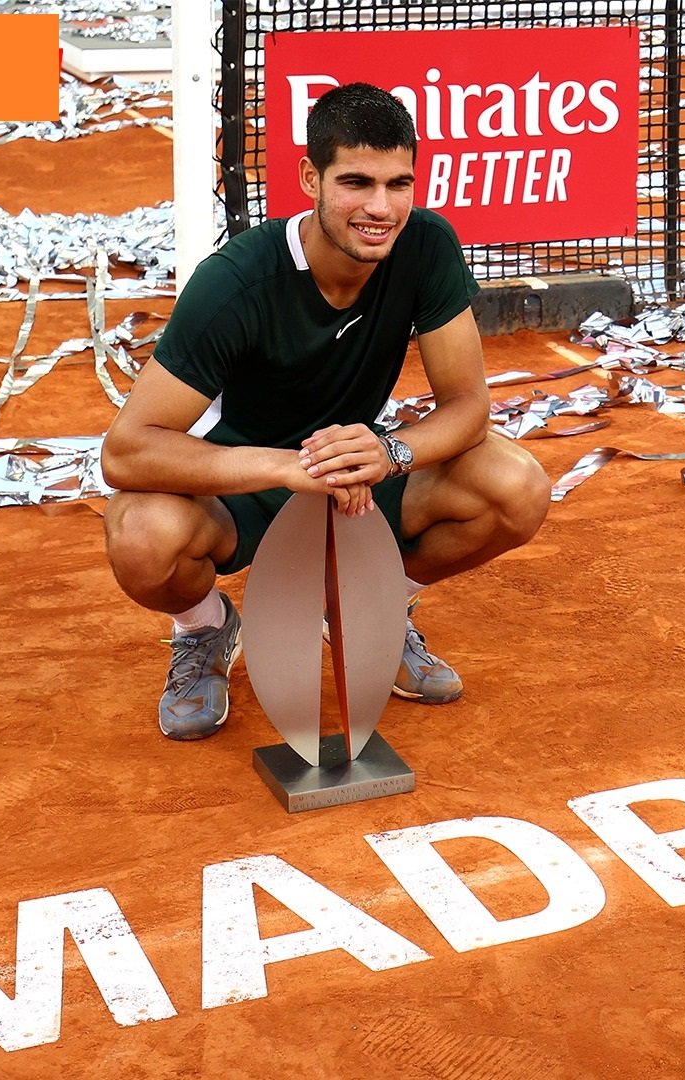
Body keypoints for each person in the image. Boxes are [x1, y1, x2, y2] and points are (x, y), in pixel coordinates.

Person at [101, 82, 550, 740]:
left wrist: (391, 453)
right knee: (142, 536)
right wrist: (285, 468)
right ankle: (204, 629)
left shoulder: (425, 246)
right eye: (357, 182)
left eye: (399, 184)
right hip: (244, 484)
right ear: (310, 176)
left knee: (517, 487)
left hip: (357, 479)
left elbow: (468, 406)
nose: (381, 207)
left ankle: (371, 613)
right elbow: (127, 450)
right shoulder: (236, 282)